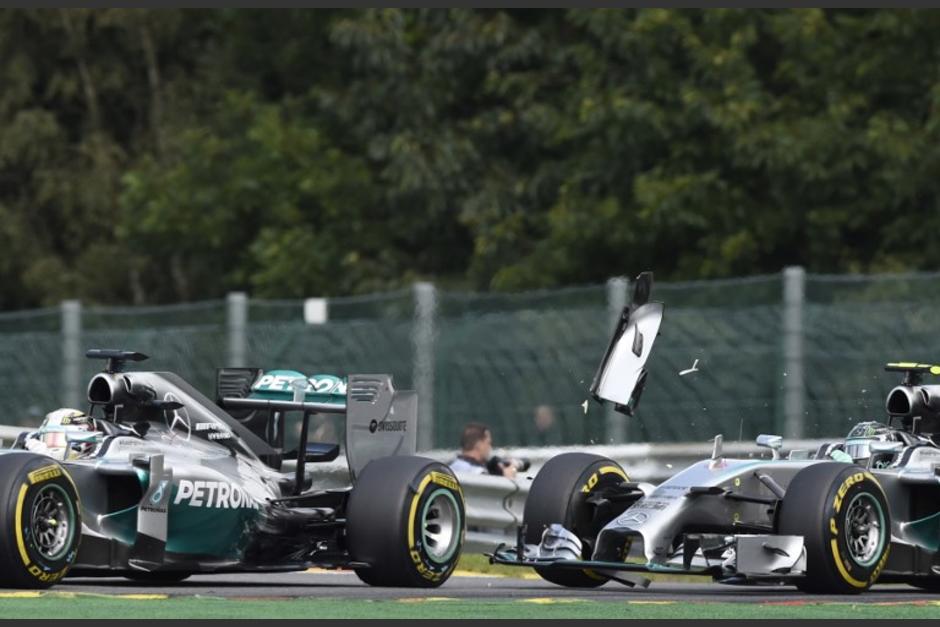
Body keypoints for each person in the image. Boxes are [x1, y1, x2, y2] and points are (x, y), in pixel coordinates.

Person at [449, 422, 517, 479]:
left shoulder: (451, 468)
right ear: (479, 444)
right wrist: (506, 477)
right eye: (488, 443)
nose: (490, 448)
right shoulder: (477, 473)